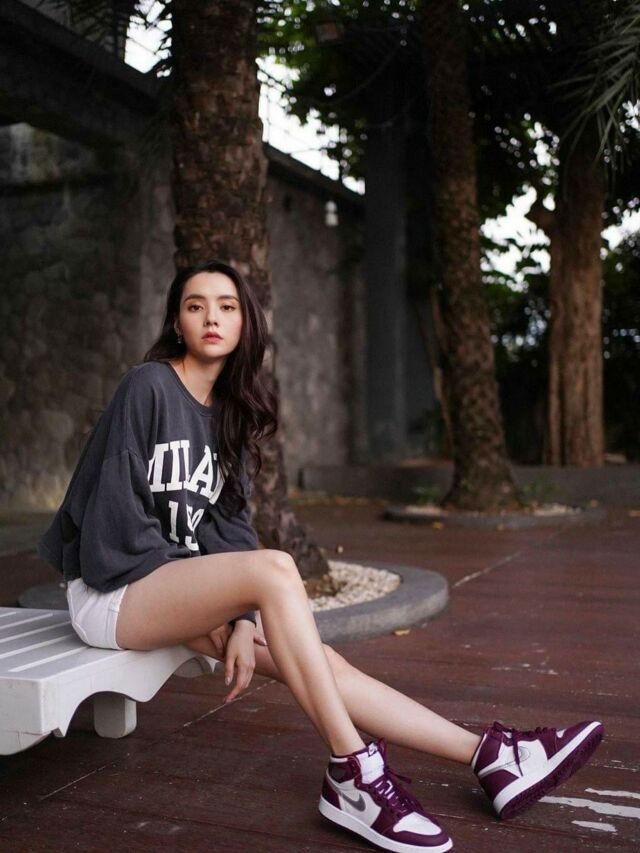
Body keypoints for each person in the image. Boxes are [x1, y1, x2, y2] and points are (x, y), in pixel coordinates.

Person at [37, 259, 604, 853]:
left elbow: (229, 530)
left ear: (245, 323)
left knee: (319, 661)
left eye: (227, 306)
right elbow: (113, 523)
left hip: (170, 591)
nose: (211, 318)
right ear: (177, 322)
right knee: (276, 569)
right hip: (112, 592)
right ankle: (353, 771)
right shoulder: (148, 387)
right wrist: (217, 604)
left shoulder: (229, 413)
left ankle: (491, 757)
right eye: (195, 306)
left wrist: (240, 618)